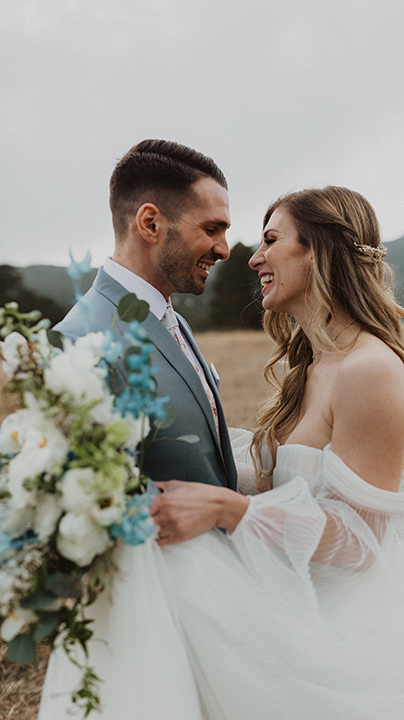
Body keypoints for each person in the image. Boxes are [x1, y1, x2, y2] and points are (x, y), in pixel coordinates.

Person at [39, 186, 404, 719]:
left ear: (320, 251)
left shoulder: (369, 370)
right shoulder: (312, 367)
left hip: (349, 627)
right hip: (294, 588)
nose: (253, 256)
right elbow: (292, 485)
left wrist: (226, 509)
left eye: (270, 240)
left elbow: (362, 542)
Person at [53, 139, 237, 491]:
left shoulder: (176, 322)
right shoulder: (77, 346)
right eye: (211, 229)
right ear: (151, 223)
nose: (223, 250)